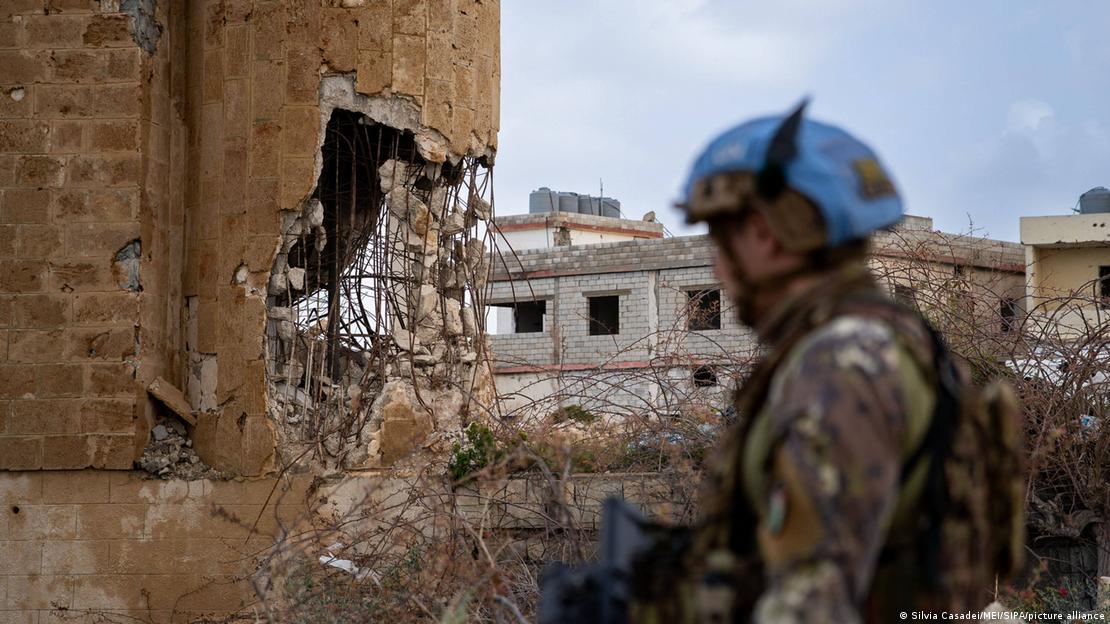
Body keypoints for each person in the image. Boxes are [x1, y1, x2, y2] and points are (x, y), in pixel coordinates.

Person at [630, 101, 1020, 623]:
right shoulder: (893, 342)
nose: (718, 268)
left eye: (721, 240)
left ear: (765, 234)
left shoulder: (842, 364)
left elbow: (813, 604)